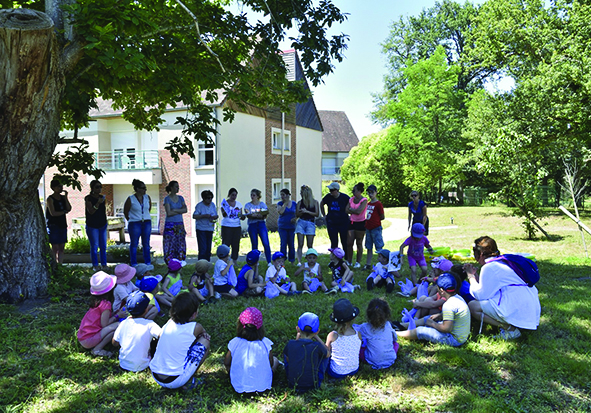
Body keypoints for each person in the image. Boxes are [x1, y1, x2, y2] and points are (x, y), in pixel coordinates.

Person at [464, 236, 541, 340]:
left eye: (475, 255)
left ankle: (510, 329)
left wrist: (470, 276)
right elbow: (488, 287)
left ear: (481, 254)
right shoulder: (504, 261)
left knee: (473, 306)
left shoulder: (489, 267)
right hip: (529, 308)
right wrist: (476, 276)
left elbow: (480, 296)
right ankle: (516, 324)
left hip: (517, 307)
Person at [150, 293, 210, 389]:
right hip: (175, 380)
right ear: (194, 314)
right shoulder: (196, 327)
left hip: (156, 375)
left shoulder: (168, 324)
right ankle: (189, 380)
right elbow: (205, 335)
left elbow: (161, 336)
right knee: (205, 341)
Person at [397, 274, 471, 347]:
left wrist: (432, 324)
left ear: (441, 290)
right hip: (460, 335)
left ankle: (395, 333)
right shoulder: (458, 298)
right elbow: (454, 315)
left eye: (437, 287)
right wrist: (439, 315)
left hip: (454, 339)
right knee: (428, 318)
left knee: (421, 331)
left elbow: (447, 328)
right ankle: (401, 325)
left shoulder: (448, 305)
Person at [224, 307, 279, 393]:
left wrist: (232, 373)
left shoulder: (235, 342)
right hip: (263, 385)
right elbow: (270, 363)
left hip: (239, 385)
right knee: (275, 360)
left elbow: (226, 362)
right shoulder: (265, 343)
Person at [112, 291, 162, 372]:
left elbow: (114, 343)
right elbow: (163, 336)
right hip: (142, 365)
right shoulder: (150, 324)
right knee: (155, 339)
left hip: (123, 364)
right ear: (146, 310)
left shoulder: (123, 323)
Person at [77, 271, 124, 357]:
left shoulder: (96, 302)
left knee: (113, 329)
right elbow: (104, 324)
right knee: (119, 325)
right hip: (89, 340)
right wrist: (118, 316)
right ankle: (97, 349)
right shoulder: (106, 305)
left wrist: (115, 313)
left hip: (83, 338)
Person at [283, 312, 329, 392]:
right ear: (317, 331)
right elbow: (328, 353)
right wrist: (317, 337)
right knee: (325, 355)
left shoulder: (290, 344)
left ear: (297, 329)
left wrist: (297, 340)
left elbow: (288, 360)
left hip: (292, 384)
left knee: (287, 354)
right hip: (314, 385)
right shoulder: (317, 346)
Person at [355, 298, 398, 369]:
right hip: (390, 358)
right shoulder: (388, 325)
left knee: (359, 349)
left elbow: (357, 337)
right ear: (387, 314)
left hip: (373, 360)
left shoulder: (364, 327)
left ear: (368, 314)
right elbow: (395, 338)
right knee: (396, 344)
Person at [326, 298, 362, 379]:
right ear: (353, 318)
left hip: (336, 372)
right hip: (354, 370)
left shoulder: (332, 336)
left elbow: (326, 352)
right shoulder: (358, 334)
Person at [123, 179, 152, 267]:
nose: (145, 190)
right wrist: (131, 219)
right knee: (134, 243)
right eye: (143, 188)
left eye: (145, 188)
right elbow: (126, 211)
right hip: (135, 223)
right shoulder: (130, 199)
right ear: (137, 189)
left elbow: (148, 209)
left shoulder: (147, 197)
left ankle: (147, 262)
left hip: (146, 222)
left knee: (146, 243)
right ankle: (134, 263)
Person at [320, 182, 350, 262]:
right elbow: (322, 204)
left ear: (337, 190)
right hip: (332, 222)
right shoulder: (328, 197)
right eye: (330, 190)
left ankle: (346, 259)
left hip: (343, 222)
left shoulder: (344, 197)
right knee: (334, 242)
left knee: (345, 241)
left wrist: (349, 213)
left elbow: (351, 204)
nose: (330, 192)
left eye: (332, 190)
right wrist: (324, 215)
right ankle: (334, 259)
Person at [46, 178, 72, 264]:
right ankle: (54, 264)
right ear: (53, 188)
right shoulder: (50, 199)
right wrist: (63, 212)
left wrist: (66, 198)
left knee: (61, 247)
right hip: (53, 225)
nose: (61, 188)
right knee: (55, 247)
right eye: (59, 186)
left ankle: (60, 265)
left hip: (62, 224)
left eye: (61, 186)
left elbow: (69, 208)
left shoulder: (62, 198)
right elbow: (53, 213)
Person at [85, 180, 108, 271]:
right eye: (97, 187)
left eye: (100, 187)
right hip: (92, 225)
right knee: (94, 246)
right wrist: (98, 203)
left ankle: (104, 264)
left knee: (103, 246)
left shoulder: (102, 197)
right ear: (92, 188)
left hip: (102, 224)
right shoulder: (88, 198)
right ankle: (95, 265)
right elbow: (91, 211)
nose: (99, 189)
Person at [163, 180, 187, 265]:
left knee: (180, 243)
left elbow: (185, 210)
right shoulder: (167, 199)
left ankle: (180, 260)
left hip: (179, 224)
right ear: (171, 188)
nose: (178, 188)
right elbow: (168, 213)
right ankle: (170, 261)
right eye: (176, 186)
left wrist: (175, 210)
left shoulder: (181, 198)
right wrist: (180, 210)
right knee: (170, 243)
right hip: (170, 224)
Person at [244, 188, 272, 264]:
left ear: (258, 196)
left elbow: (265, 214)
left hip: (261, 224)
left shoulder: (262, 204)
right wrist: (258, 215)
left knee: (266, 243)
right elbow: (248, 214)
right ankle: (255, 261)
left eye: (254, 195)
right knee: (254, 243)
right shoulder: (248, 205)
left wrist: (256, 215)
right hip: (252, 225)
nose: (252, 197)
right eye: (251, 195)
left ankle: (269, 261)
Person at [295, 185, 320, 266]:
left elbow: (317, 214)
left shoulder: (315, 202)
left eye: (301, 193)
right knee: (300, 243)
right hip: (301, 222)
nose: (300, 194)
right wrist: (302, 212)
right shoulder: (299, 203)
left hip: (310, 223)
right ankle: (299, 261)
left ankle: (310, 260)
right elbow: (297, 214)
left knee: (310, 244)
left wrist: (307, 211)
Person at [346, 183, 368, 269]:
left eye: (354, 190)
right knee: (349, 243)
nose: (353, 192)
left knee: (359, 242)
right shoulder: (351, 199)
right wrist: (353, 210)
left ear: (359, 191)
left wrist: (352, 210)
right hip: (351, 222)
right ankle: (349, 261)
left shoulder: (364, 200)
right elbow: (346, 210)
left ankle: (358, 262)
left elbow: (359, 211)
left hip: (361, 223)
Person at [364, 184, 385, 270]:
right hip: (368, 227)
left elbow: (382, 216)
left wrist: (376, 221)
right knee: (369, 246)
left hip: (376, 228)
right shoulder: (368, 204)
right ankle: (368, 264)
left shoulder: (378, 204)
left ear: (376, 192)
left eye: (372, 192)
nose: (370, 194)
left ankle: (381, 263)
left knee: (378, 246)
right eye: (369, 193)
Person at [192, 190, 218, 261]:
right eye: (208, 198)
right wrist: (204, 216)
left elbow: (215, 214)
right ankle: (201, 264)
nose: (210, 200)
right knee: (203, 248)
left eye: (211, 198)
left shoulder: (212, 205)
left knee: (208, 249)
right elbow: (194, 216)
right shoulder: (199, 206)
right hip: (201, 229)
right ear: (203, 198)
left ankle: (207, 263)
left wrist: (215, 217)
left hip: (210, 228)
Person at [220, 188, 243, 263]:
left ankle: (234, 260)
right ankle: (224, 260)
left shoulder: (238, 204)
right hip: (226, 226)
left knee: (236, 243)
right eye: (232, 195)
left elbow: (241, 216)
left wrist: (242, 214)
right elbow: (224, 214)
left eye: (235, 195)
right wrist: (228, 209)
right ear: (229, 195)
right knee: (226, 243)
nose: (234, 197)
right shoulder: (224, 203)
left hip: (236, 226)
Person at [276, 188, 297, 263]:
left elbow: (297, 213)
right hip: (282, 227)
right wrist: (285, 203)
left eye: (283, 195)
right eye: (281, 195)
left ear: (288, 195)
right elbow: (280, 212)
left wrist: (295, 218)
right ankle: (282, 260)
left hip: (291, 227)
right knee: (283, 244)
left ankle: (292, 260)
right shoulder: (279, 204)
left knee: (291, 244)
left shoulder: (294, 203)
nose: (282, 196)